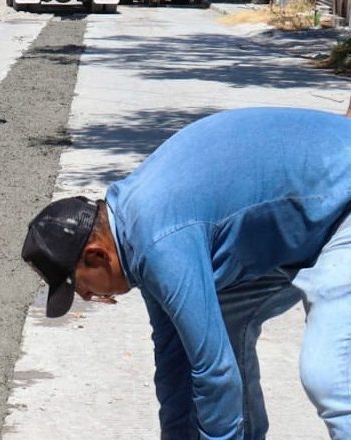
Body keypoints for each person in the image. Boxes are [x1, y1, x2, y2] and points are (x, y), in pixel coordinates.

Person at [21, 107, 351, 440]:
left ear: (97, 255)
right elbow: (173, 356)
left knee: (330, 374)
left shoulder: (157, 243)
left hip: (342, 198)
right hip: (307, 210)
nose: (87, 297)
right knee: (223, 324)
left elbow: (215, 372)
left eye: (78, 286)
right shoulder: (132, 232)